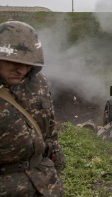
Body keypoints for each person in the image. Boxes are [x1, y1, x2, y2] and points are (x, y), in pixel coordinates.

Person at [0, 21, 64, 196]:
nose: (22, 69)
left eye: (28, 63)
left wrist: (56, 166)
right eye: (14, 61)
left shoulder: (38, 83)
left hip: (45, 185)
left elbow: (50, 128)